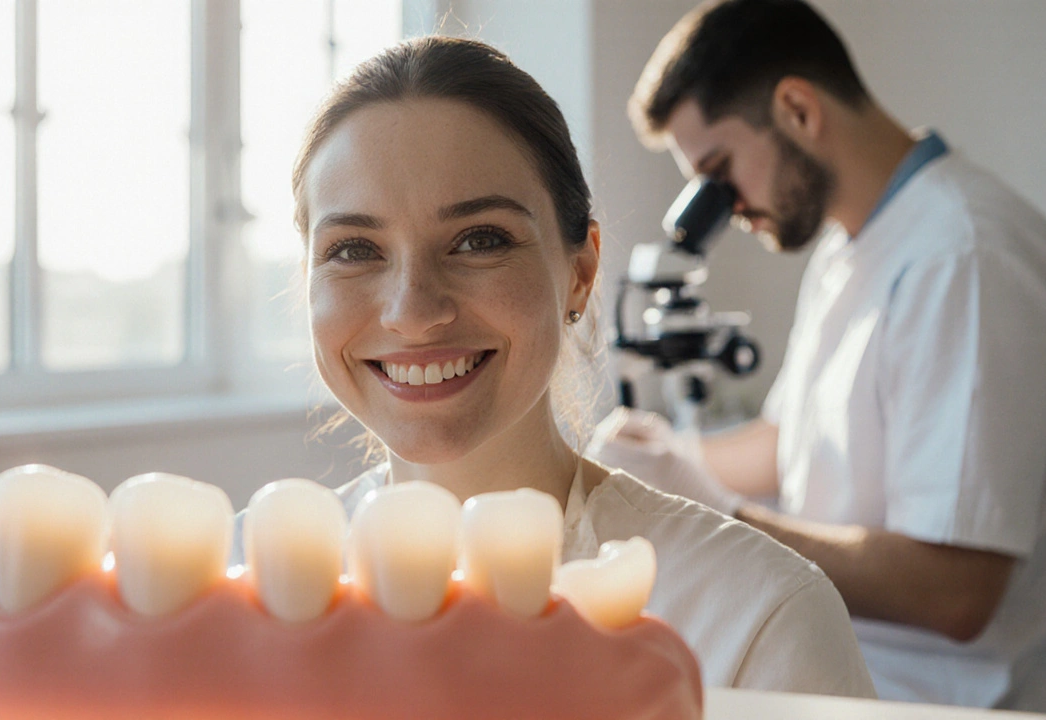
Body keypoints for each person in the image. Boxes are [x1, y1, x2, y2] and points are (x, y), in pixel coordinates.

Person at [231, 35, 874, 697]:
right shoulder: (233, 572)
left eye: (479, 240)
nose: (413, 311)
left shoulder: (753, 615)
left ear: (581, 272)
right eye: (355, 249)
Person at [599, 0, 1046, 711]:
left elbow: (955, 592)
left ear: (797, 109)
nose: (725, 209)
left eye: (720, 173)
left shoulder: (963, 257)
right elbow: (790, 443)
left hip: (943, 702)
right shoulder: (851, 247)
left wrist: (715, 512)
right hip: (847, 673)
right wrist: (660, 463)